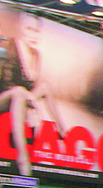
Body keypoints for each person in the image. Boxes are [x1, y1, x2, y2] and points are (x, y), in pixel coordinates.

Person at [0, 13, 67, 176]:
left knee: (45, 86)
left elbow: (33, 85)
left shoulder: (37, 55)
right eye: (29, 29)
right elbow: (6, 82)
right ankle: (23, 159)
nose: (33, 34)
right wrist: (25, 97)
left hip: (22, 96)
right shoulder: (8, 47)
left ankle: (62, 134)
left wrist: (30, 102)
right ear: (21, 30)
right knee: (18, 92)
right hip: (4, 96)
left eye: (36, 30)